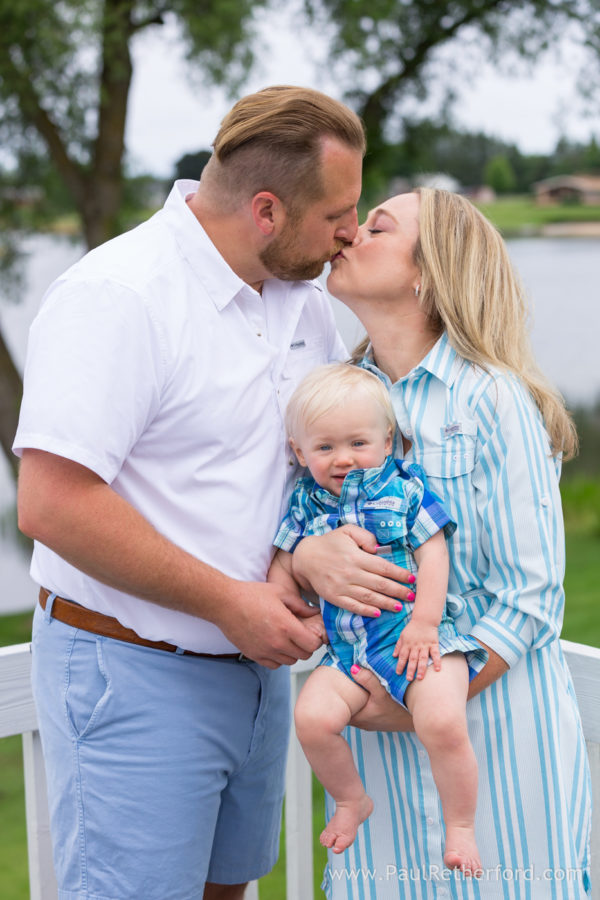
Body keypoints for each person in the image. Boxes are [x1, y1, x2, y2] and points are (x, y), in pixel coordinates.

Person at [12, 85, 416, 900]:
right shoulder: (121, 296)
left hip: (257, 673)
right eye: (337, 211)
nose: (350, 229)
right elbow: (50, 505)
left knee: (229, 891)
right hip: (132, 670)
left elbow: (304, 466)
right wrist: (229, 602)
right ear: (266, 210)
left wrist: (302, 553)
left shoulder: (304, 303)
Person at [292, 189, 592, 898]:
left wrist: (418, 707)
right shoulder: (337, 402)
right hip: (376, 769)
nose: (347, 234)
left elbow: (530, 596)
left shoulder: (493, 399)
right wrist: (306, 561)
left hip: (494, 742)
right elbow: (297, 529)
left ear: (428, 271)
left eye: (376, 227)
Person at [269, 362, 488, 872]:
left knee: (442, 721)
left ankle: (461, 825)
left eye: (357, 443)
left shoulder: (404, 488)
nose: (342, 458)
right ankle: (350, 800)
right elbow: (282, 563)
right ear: (300, 452)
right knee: (312, 718)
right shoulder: (304, 502)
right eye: (324, 448)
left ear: (387, 441)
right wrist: (299, 615)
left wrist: (426, 624)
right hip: (346, 651)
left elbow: (434, 554)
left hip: (412, 639)